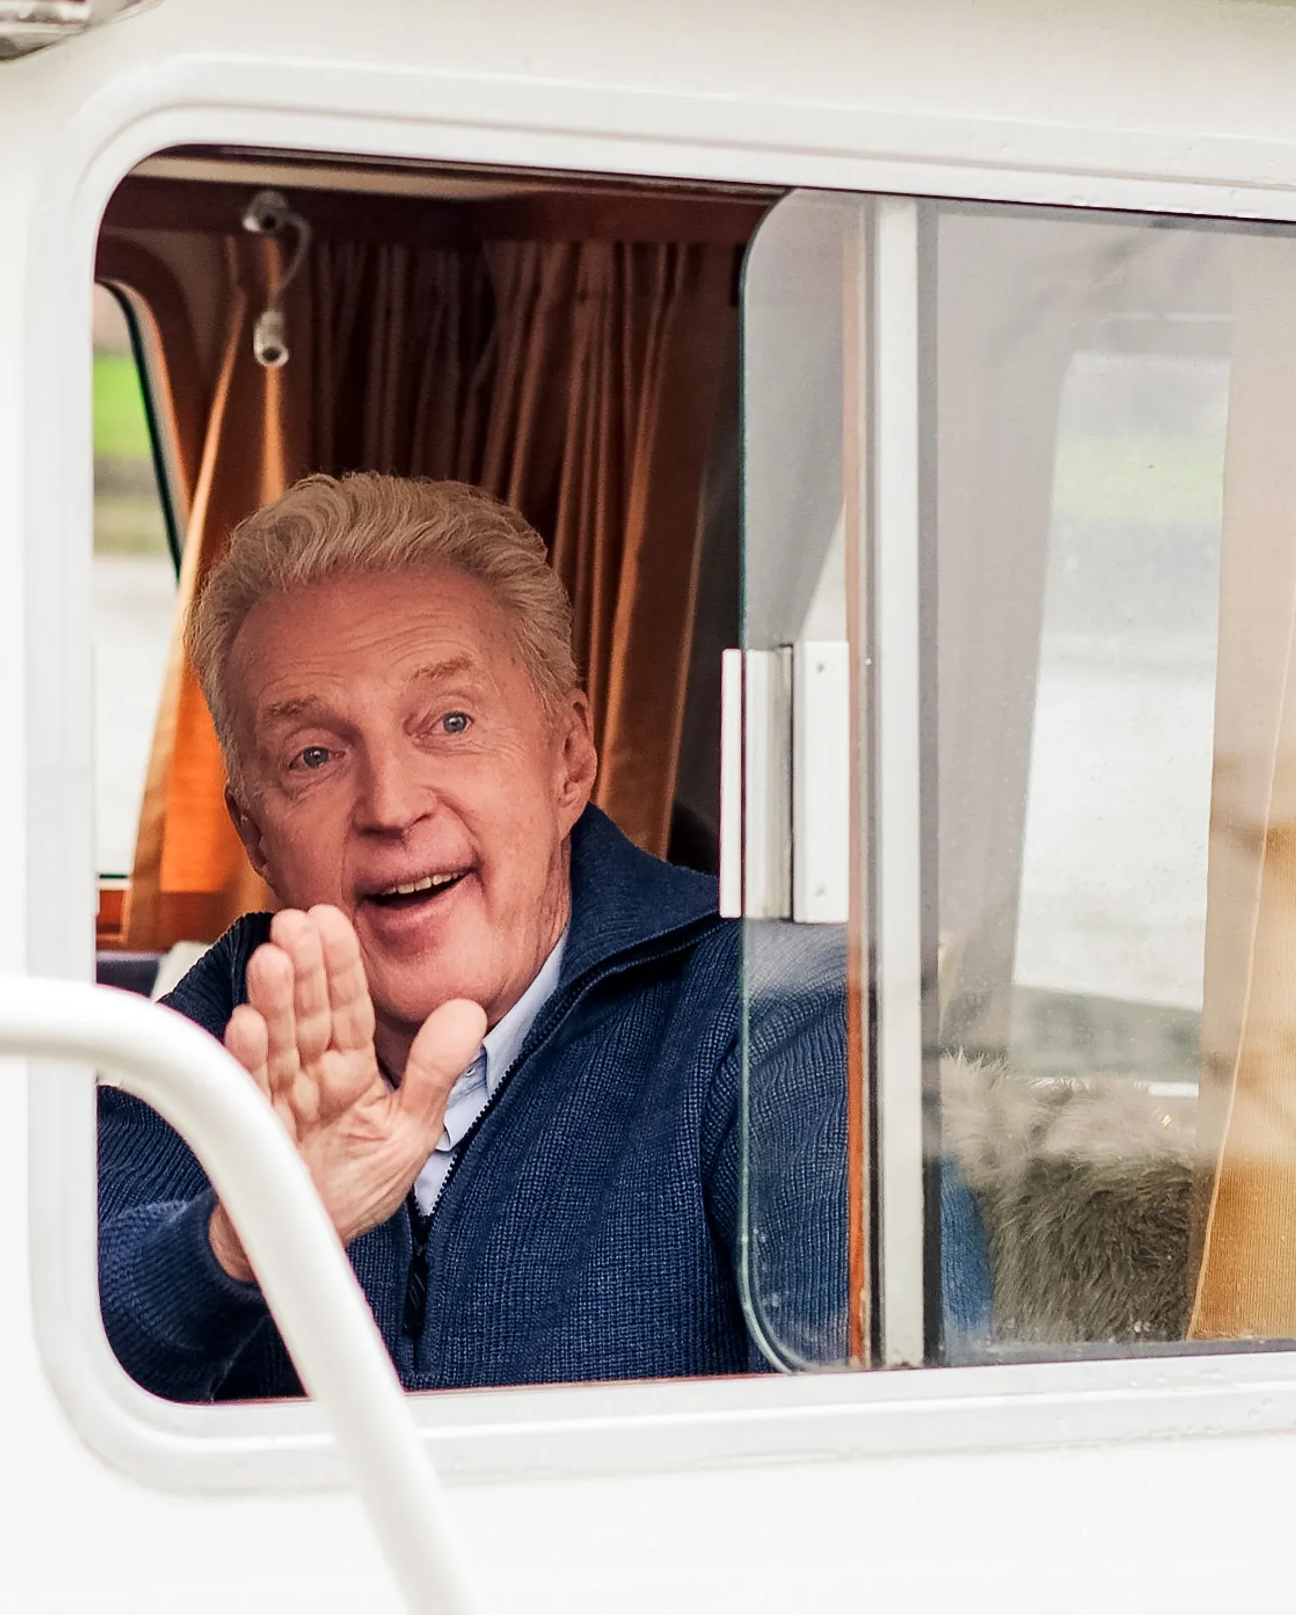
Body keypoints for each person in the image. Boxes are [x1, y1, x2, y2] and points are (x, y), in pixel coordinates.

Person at [99, 471, 822, 1400]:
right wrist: (244, 1242)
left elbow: (898, 1449)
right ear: (254, 832)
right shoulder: (199, 1047)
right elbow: (13, 1378)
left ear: (568, 760)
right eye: (316, 756)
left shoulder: (771, 1008)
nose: (393, 805)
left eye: (450, 722)